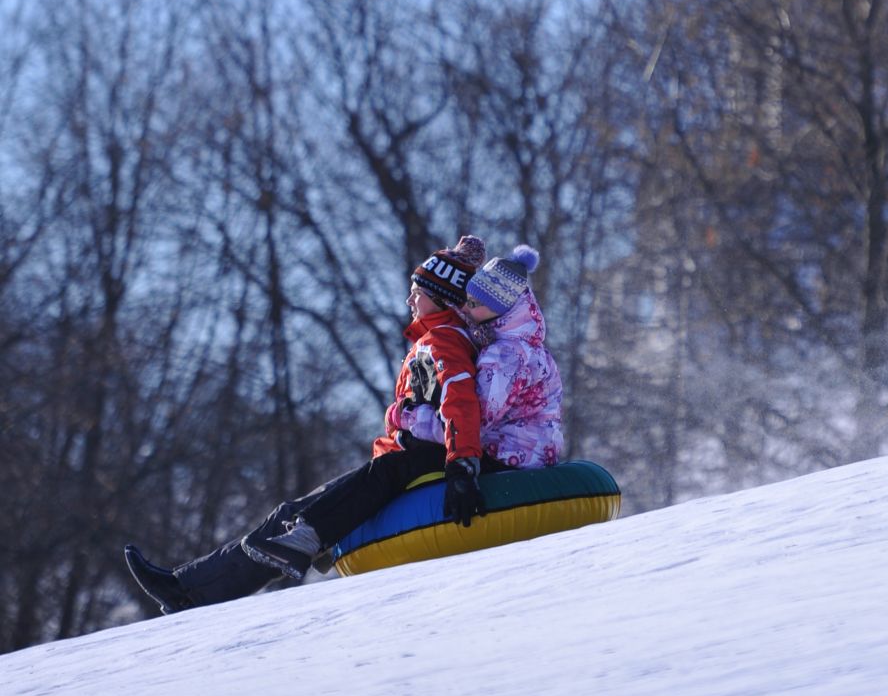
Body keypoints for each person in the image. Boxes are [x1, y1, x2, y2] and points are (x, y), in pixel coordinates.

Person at [124, 235, 493, 614]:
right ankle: (186, 588)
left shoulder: (445, 340)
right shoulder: (430, 341)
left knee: (296, 520)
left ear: (442, 296)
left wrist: (463, 464)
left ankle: (195, 588)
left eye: (417, 291)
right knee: (285, 516)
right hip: (397, 460)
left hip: (413, 463)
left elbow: (459, 399)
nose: (409, 300)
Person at [400, 244, 565, 470]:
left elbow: (473, 424)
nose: (465, 308)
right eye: (467, 299)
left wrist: (407, 416)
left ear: (499, 308)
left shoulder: (506, 356)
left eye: (474, 303)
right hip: (531, 452)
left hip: (512, 456)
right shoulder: (523, 346)